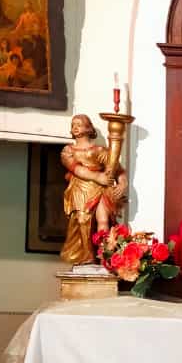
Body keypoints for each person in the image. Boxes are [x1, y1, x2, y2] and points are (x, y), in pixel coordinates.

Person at [60, 114, 128, 266]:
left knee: (103, 220)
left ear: (88, 128)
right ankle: (87, 254)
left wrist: (122, 184)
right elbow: (76, 169)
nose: (75, 127)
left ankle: (105, 254)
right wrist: (97, 176)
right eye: (73, 125)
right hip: (80, 189)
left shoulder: (99, 150)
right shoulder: (68, 151)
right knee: (82, 220)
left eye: (79, 124)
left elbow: (118, 170)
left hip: (101, 189)